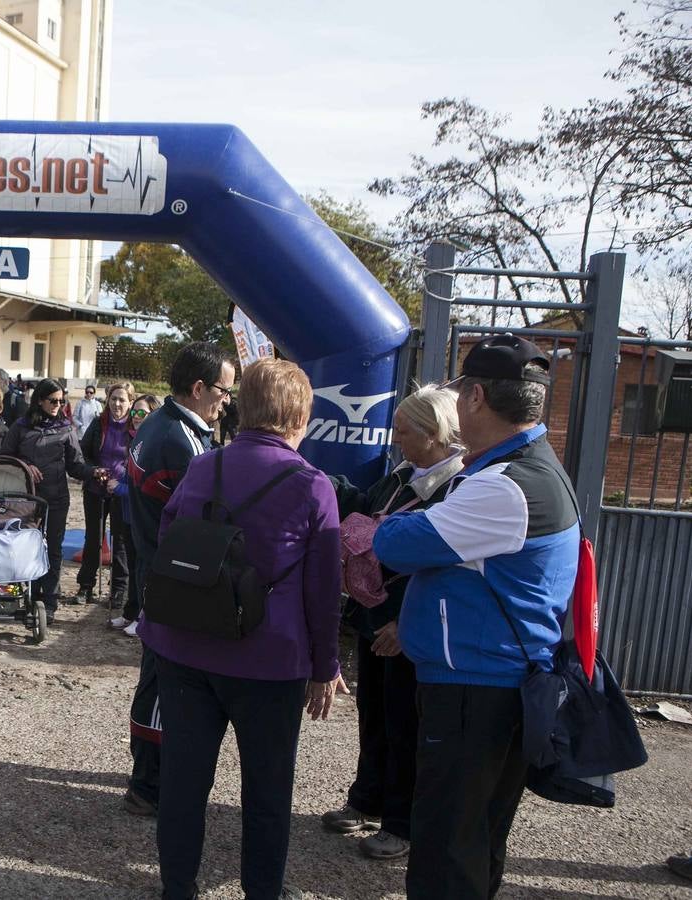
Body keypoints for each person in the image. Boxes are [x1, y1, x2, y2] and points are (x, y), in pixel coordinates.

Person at [374, 334, 579, 900]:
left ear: (476, 397)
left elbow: (394, 543)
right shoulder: (524, 468)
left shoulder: (506, 487)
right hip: (493, 685)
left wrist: (391, 524)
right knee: (476, 838)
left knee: (446, 849)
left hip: (476, 691)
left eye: (460, 390)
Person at [147, 357, 342, 900]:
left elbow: (170, 538)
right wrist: (326, 666)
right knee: (267, 790)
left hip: (185, 645)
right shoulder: (311, 485)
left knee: (184, 785)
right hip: (268, 659)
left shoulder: (205, 465)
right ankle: (262, 891)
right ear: (299, 417)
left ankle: (177, 888)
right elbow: (324, 588)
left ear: (245, 408)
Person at [320, 385, 463, 861]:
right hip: (372, 616)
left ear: (432, 433)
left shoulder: (456, 488)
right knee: (374, 716)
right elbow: (366, 506)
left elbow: (447, 568)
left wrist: (406, 624)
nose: (395, 437)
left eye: (403, 430)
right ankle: (368, 798)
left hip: (406, 628)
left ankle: (401, 823)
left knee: (405, 724)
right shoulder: (404, 475)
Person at [123, 342, 237, 819]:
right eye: (223, 392)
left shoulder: (157, 422)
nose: (227, 402)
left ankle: (147, 773)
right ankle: (149, 781)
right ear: (198, 388)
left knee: (158, 675)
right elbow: (212, 519)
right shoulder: (182, 440)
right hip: (171, 577)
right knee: (162, 680)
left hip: (155, 566)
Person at [0, 377, 94, 622]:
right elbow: (4, 458)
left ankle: (48, 600)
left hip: (56, 498)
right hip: (25, 498)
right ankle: (21, 593)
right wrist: (25, 466)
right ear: (40, 400)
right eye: (53, 400)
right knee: (23, 546)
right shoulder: (20, 427)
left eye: (61, 401)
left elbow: (76, 466)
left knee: (52, 548)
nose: (58, 405)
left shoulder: (66, 428)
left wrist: (95, 473)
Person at [75, 382, 132, 607]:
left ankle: (118, 590)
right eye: (113, 399)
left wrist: (122, 479)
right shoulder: (99, 423)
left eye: (122, 399)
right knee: (93, 539)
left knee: (120, 542)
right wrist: (93, 471)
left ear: (130, 402)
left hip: (121, 492)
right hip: (96, 490)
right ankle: (86, 586)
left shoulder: (135, 427)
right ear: (107, 400)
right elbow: (84, 454)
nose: (117, 404)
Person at [109, 394, 160, 633]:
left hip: (143, 514)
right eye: (135, 413)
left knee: (144, 568)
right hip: (129, 515)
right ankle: (131, 612)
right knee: (132, 564)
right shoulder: (133, 440)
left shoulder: (152, 443)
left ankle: (143, 617)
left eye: (142, 413)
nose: (136, 417)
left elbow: (146, 485)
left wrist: (120, 488)